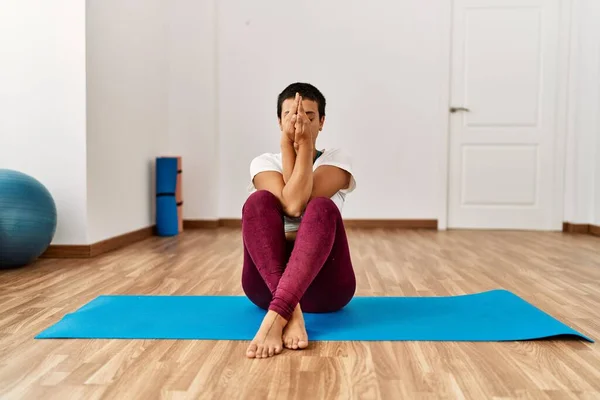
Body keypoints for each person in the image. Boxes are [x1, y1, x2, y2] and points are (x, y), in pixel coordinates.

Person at [241, 82, 357, 359]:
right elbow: (291, 206)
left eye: (308, 116)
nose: (299, 123)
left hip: (326, 290)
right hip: (267, 288)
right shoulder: (263, 162)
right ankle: (289, 312)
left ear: (322, 122)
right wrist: (287, 145)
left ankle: (276, 316)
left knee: (321, 208)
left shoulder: (337, 159)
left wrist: (304, 146)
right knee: (257, 202)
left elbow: (298, 204)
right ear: (279, 121)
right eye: (291, 116)